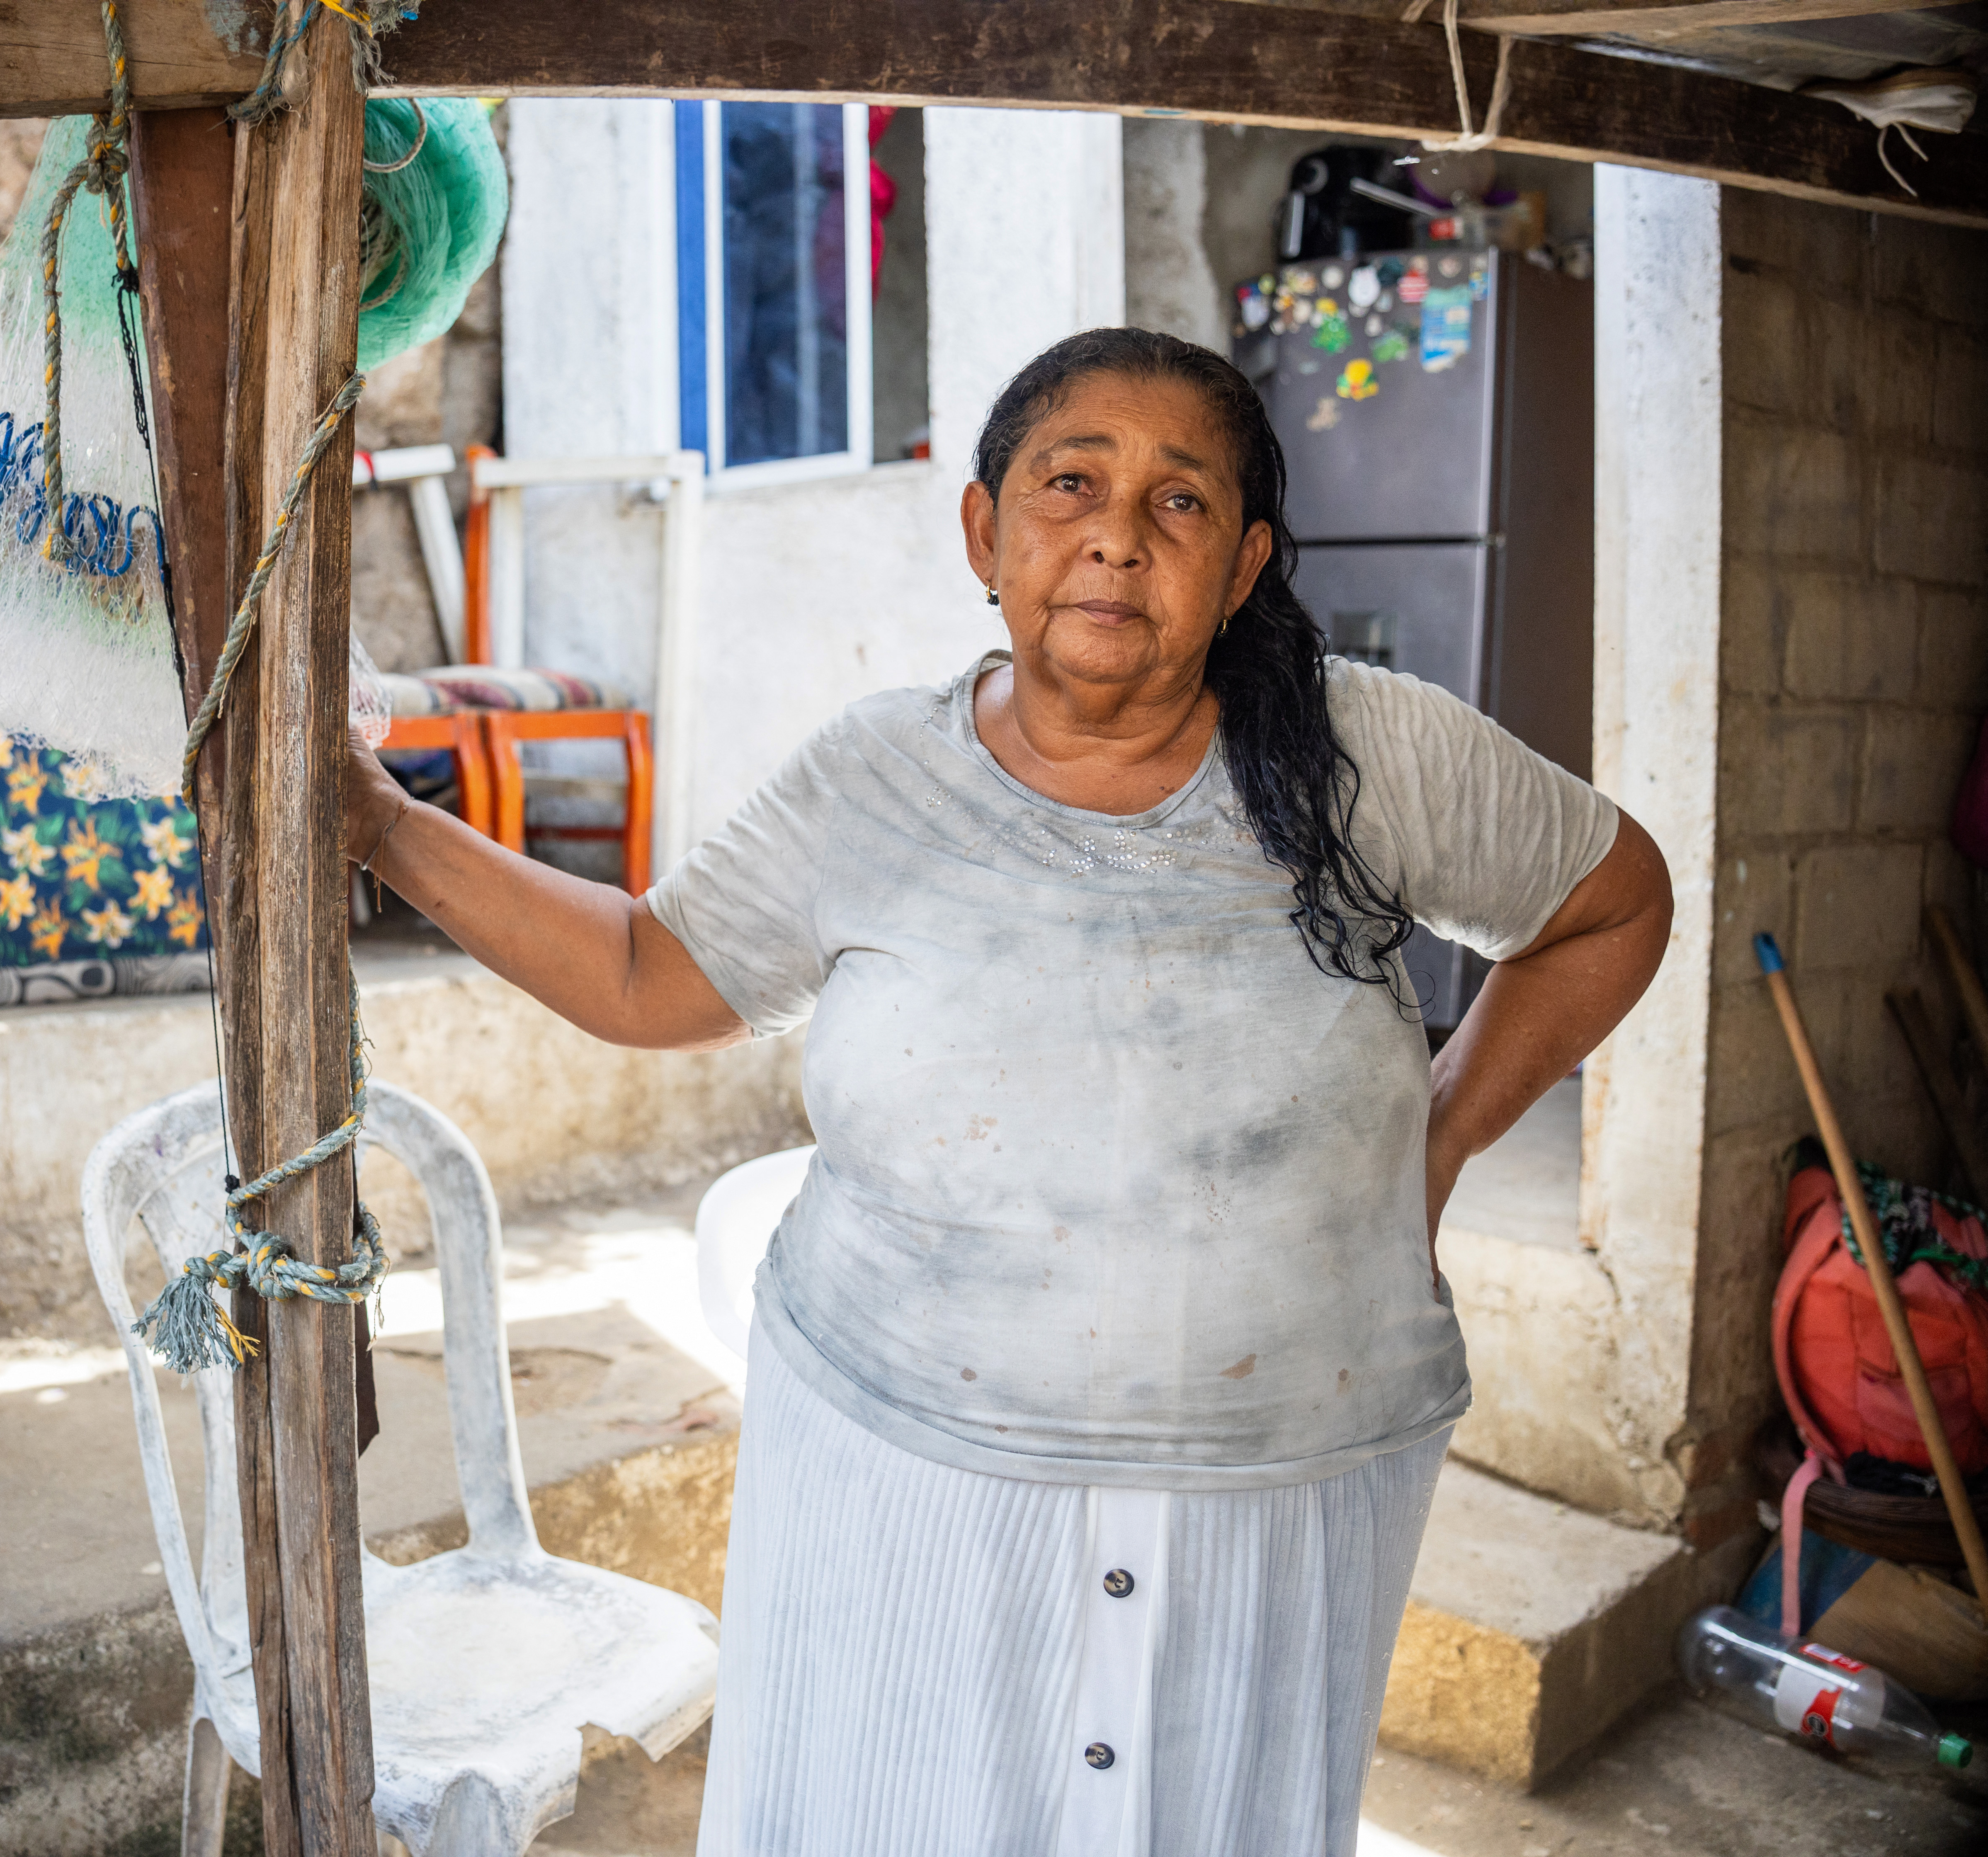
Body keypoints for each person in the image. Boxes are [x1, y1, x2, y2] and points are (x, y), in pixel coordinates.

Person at [339, 328, 1673, 1853]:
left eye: (1180, 504)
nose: (1116, 532)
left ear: (1244, 568)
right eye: (1071, 483)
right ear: (987, 532)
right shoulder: (873, 780)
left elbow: (1611, 903)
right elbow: (652, 973)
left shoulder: (1375, 756)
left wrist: (1436, 1142)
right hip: (901, 1473)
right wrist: (382, 827)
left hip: (1284, 1482)